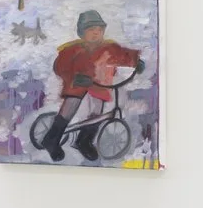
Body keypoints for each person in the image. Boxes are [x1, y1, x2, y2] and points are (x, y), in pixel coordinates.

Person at [47, 9, 143, 163]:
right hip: (77, 83)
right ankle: (51, 139)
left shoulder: (108, 48)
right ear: (82, 32)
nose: (96, 33)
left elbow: (123, 55)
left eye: (99, 29)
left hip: (98, 84)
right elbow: (60, 67)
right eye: (91, 29)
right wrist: (73, 77)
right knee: (70, 105)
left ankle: (84, 140)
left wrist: (136, 61)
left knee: (97, 112)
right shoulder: (72, 50)